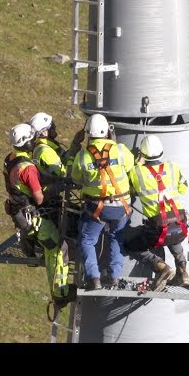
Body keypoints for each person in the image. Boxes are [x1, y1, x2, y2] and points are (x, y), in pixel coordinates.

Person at [3, 123, 73, 307]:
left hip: (21, 216)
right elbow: (40, 198)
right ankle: (60, 292)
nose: (36, 142)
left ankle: (30, 243)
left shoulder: (10, 159)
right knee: (58, 248)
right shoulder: (28, 169)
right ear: (26, 143)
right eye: (32, 139)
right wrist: (56, 187)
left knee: (50, 247)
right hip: (33, 218)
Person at [71, 114, 135, 290]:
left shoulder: (83, 156)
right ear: (107, 131)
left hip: (97, 209)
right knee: (117, 236)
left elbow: (76, 178)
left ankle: (94, 278)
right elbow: (130, 168)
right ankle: (114, 277)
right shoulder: (121, 150)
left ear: (87, 134)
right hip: (122, 206)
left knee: (87, 240)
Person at [127, 135, 189, 291]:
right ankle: (182, 271)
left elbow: (131, 192)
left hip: (157, 229)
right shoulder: (172, 167)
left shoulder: (136, 172)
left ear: (142, 154)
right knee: (172, 233)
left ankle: (161, 267)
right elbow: (184, 188)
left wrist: (137, 163)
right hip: (179, 224)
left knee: (132, 246)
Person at [28, 112, 85, 191]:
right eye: (52, 126)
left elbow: (63, 159)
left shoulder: (47, 146)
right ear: (44, 132)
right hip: (49, 195)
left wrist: (75, 143)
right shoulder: (45, 151)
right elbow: (64, 174)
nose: (54, 127)